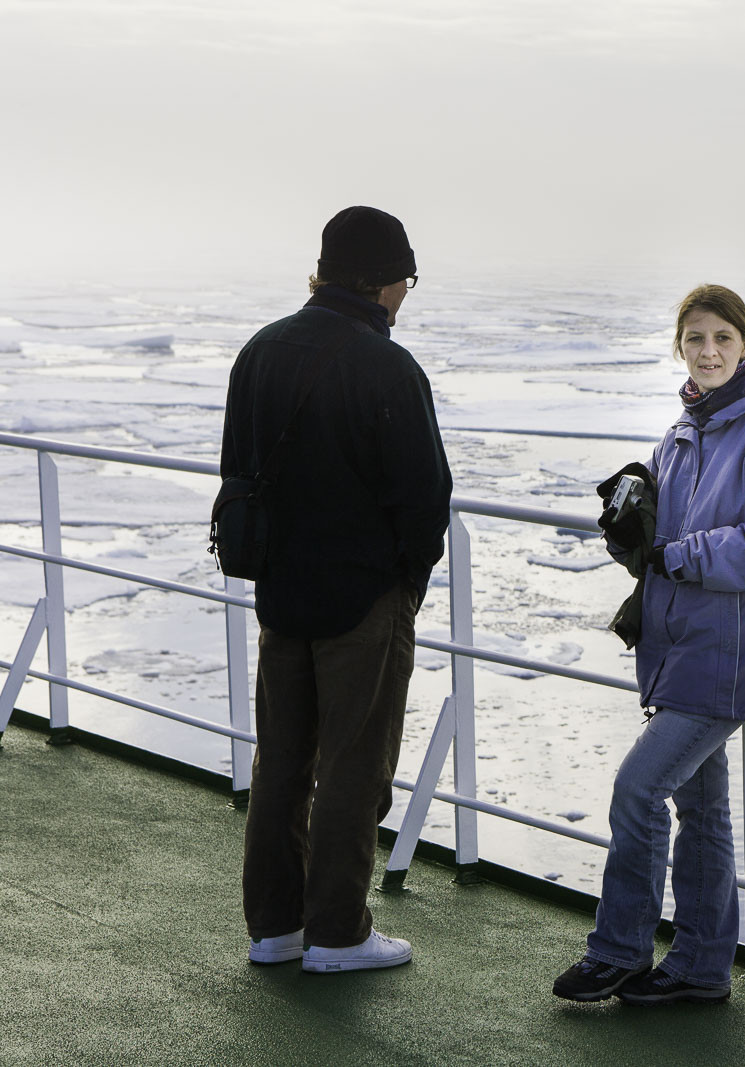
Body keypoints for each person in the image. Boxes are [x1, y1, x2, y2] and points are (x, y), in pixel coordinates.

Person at [553, 283, 745, 1005]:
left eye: (722, 338)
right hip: (686, 648)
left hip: (735, 654)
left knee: (639, 787)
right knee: (701, 808)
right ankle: (703, 965)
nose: (708, 351)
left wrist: (686, 554)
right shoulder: (684, 431)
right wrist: (635, 528)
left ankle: (618, 950)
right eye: (695, 339)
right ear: (679, 346)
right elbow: (662, 545)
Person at [223, 205, 452, 973]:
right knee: (354, 763)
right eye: (406, 279)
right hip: (362, 599)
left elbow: (238, 471)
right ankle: (338, 933)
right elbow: (425, 501)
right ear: (385, 281)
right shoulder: (388, 367)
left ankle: (275, 927)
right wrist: (406, 590)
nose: (405, 295)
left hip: (280, 594)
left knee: (281, 761)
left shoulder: (260, 351)